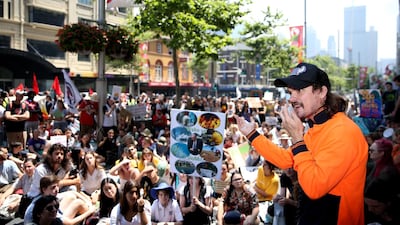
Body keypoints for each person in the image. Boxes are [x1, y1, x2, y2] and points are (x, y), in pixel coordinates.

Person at [234, 62, 369, 225]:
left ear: (321, 92)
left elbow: (315, 187)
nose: (291, 98)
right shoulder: (317, 127)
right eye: (291, 91)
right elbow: (286, 160)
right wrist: (252, 133)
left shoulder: (343, 131)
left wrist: (298, 138)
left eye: (299, 90)